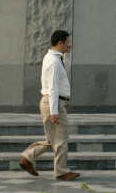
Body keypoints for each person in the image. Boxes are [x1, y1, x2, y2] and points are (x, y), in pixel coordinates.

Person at [19, 29, 80, 181]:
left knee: (53, 139)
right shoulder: (53, 62)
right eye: (67, 42)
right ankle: (61, 171)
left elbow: (64, 74)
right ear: (60, 43)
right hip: (53, 102)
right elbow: (53, 87)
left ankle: (27, 158)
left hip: (54, 102)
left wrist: (68, 54)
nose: (69, 45)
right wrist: (54, 111)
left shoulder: (53, 58)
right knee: (61, 139)